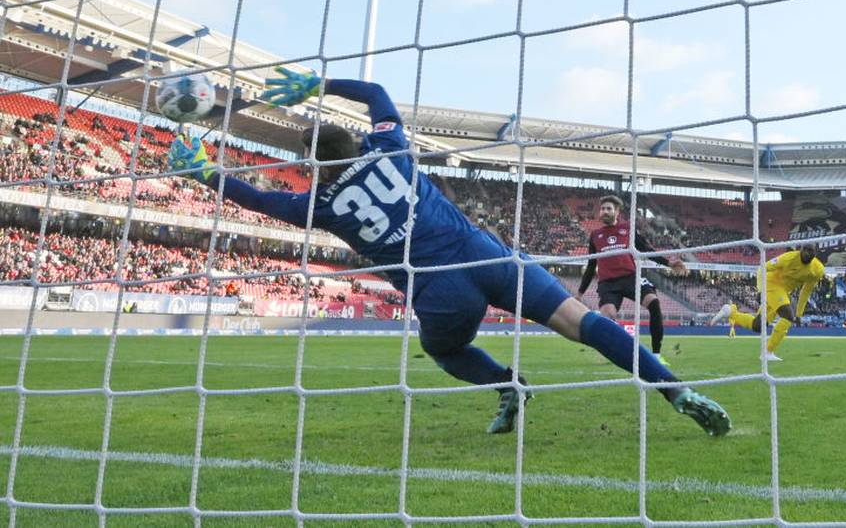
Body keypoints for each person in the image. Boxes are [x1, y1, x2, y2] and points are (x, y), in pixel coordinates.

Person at [167, 67, 732, 433]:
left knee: (443, 353)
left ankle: (508, 386)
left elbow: (254, 199)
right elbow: (378, 95)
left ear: (314, 169)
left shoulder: (318, 204)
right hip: (487, 255)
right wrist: (320, 85)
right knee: (578, 321)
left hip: (438, 293)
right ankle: (674, 389)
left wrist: (203, 173)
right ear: (359, 142)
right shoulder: (389, 149)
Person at [577, 195, 687, 366]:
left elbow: (646, 249)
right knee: (607, 317)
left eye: (608, 209)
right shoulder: (595, 235)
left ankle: (656, 355)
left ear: (617, 212)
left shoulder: (627, 229)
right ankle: (617, 353)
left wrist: (669, 263)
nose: (604, 211)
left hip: (630, 278)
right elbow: (591, 266)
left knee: (654, 303)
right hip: (607, 284)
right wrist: (580, 293)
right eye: (602, 209)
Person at [708, 245, 824, 361]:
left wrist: (799, 313)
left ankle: (731, 312)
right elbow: (762, 268)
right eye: (805, 250)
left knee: (758, 326)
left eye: (811, 251)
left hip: (781, 292)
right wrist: (760, 289)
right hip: (771, 284)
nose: (807, 253)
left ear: (816, 253)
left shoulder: (817, 270)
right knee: (788, 316)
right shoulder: (788, 258)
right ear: (800, 249)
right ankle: (767, 352)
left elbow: (806, 292)